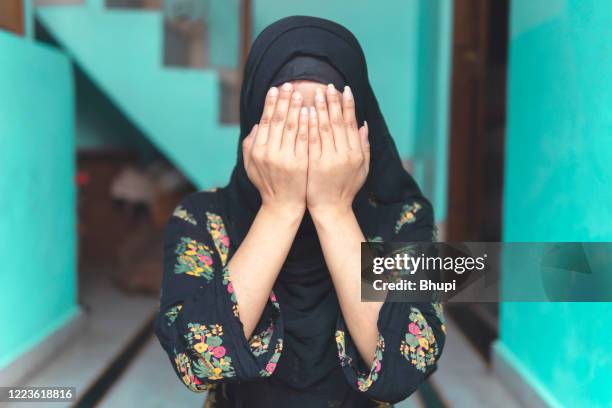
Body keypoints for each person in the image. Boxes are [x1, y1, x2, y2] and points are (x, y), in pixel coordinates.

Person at [155, 16, 446, 408]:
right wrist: (279, 208)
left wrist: (334, 209)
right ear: (254, 126)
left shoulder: (404, 219)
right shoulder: (201, 218)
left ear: (360, 125)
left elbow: (405, 365)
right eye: (286, 117)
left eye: (327, 114)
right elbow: (197, 361)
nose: (307, 135)